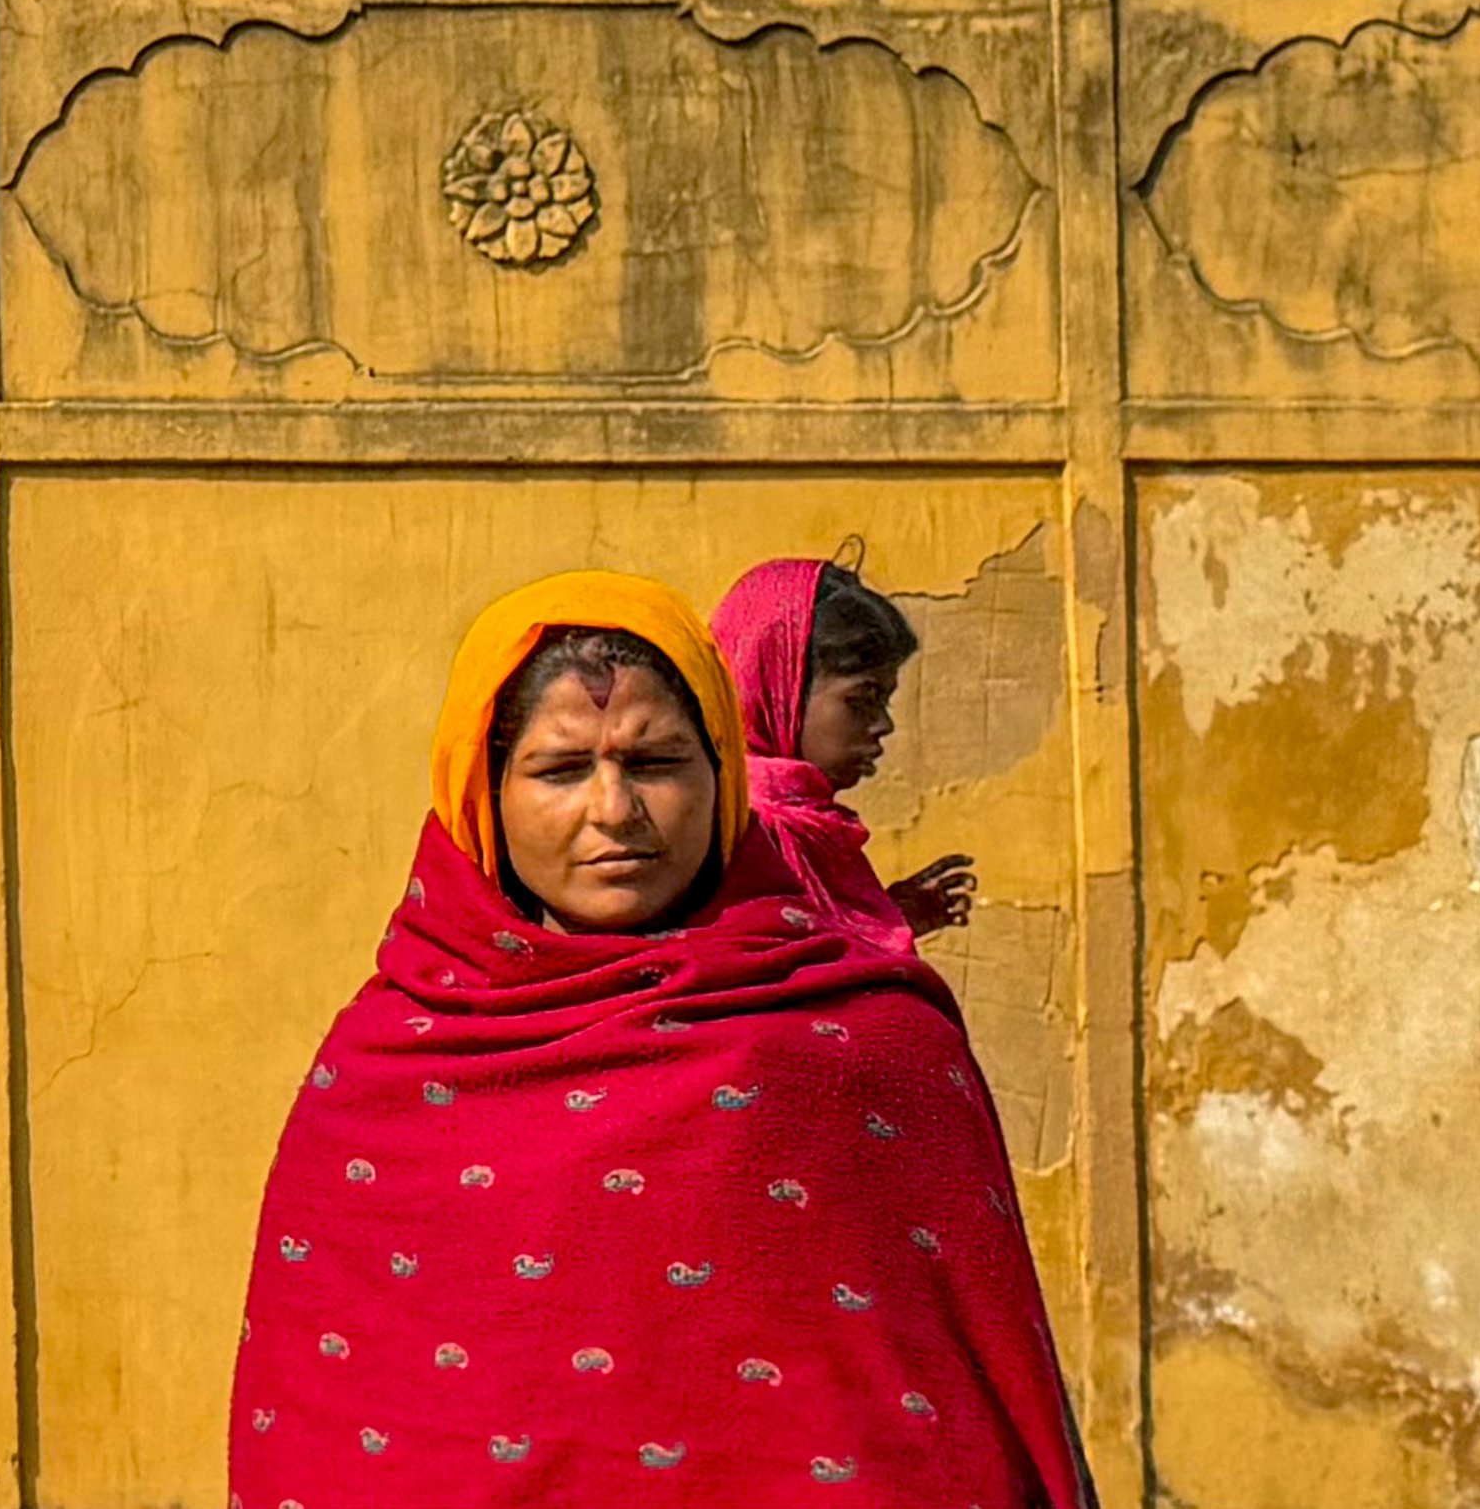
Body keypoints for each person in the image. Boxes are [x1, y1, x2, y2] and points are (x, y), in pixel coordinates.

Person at [227, 569, 1093, 1509]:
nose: (614, 811)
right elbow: (320, 1429)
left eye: (655, 763)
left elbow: (970, 1401)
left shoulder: (867, 1043)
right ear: (482, 793)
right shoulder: (388, 1070)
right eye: (562, 769)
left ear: (724, 776)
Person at [712, 558, 976, 956]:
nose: (883, 724)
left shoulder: (811, 830)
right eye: (862, 700)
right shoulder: (732, 834)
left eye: (884, 701)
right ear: (782, 690)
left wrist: (886, 920)